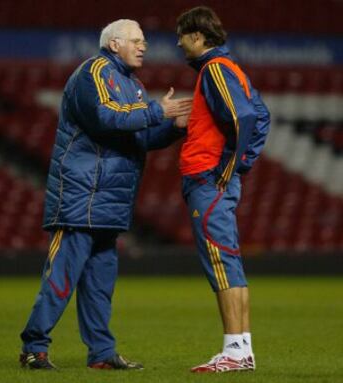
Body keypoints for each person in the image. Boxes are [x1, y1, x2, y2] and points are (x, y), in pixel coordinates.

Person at [19, 19, 191, 370]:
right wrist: (158, 111)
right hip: (81, 196)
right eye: (136, 40)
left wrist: (172, 130)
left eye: (144, 41)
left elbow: (138, 137)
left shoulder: (134, 85)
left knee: (100, 285)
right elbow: (104, 117)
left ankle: (101, 354)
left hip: (109, 201)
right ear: (114, 44)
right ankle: (34, 348)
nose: (144, 46)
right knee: (61, 278)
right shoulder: (94, 72)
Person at [176, 6, 270, 373]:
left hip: (208, 177)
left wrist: (231, 164)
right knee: (228, 259)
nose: (179, 43)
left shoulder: (214, 69)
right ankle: (240, 349)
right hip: (217, 177)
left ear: (198, 36)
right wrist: (239, 164)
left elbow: (244, 117)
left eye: (182, 35)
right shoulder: (230, 69)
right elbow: (260, 115)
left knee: (220, 261)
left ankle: (234, 352)